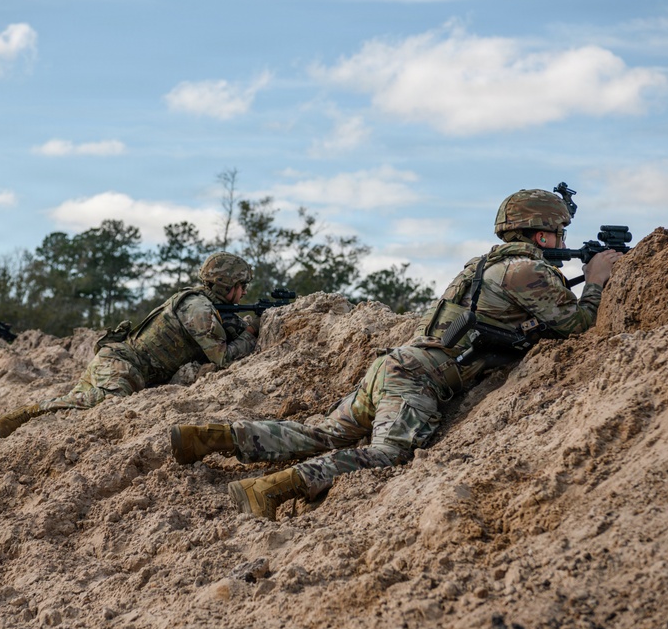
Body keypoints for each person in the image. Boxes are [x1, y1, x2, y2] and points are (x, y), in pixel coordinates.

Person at [170, 188, 623, 520]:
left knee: (324, 433)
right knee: (389, 454)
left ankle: (212, 438)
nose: (562, 238)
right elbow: (578, 325)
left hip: (395, 365)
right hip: (419, 378)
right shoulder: (526, 271)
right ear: (541, 234)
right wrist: (596, 279)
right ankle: (271, 488)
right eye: (559, 231)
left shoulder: (484, 266)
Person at [0, 252, 260, 461]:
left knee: (58, 414)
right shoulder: (199, 308)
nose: (244, 291)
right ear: (225, 284)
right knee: (68, 409)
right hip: (123, 368)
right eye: (241, 285)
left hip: (119, 363)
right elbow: (225, 360)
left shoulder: (203, 305)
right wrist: (251, 332)